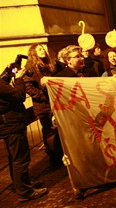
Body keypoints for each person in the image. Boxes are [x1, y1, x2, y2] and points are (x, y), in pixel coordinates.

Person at [0, 64, 48, 202]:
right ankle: (25, 191)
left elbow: (3, 81)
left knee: (15, 158)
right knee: (20, 159)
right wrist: (19, 79)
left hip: (8, 125)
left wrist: (8, 70)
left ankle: (21, 185)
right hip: (12, 125)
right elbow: (19, 95)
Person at [24, 44, 64, 169]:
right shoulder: (30, 67)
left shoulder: (49, 65)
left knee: (59, 130)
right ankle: (54, 159)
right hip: (43, 106)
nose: (43, 50)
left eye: (43, 48)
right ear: (34, 53)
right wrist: (43, 95)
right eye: (40, 49)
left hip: (55, 102)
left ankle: (61, 155)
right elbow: (28, 87)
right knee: (49, 132)